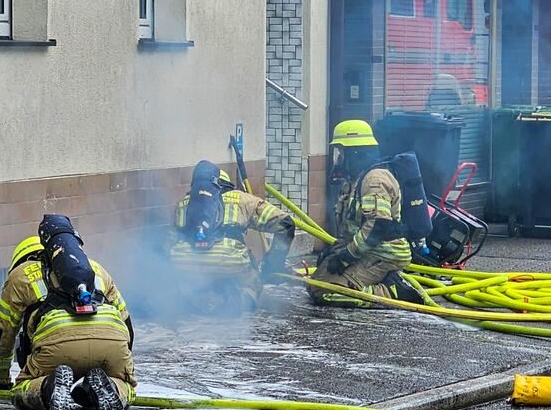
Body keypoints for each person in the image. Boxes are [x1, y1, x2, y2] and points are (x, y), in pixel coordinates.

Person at [0, 215, 135, 410]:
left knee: (23, 391)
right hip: (111, 338)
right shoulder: (97, 269)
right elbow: (126, 323)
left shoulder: (21, 276)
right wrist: (123, 364)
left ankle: (50, 387)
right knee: (126, 385)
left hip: (57, 344)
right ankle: (110, 387)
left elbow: (2, 333)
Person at [308, 120, 424, 307]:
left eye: (342, 152)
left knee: (326, 293)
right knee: (314, 285)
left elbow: (378, 225)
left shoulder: (374, 180)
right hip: (367, 251)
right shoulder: (357, 178)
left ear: (355, 153)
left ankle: (392, 290)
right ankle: (381, 281)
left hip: (384, 254)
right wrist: (335, 250)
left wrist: (347, 256)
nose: (340, 159)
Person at [168, 160, 296, 312]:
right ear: (226, 184)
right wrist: (273, 266)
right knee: (252, 282)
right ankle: (239, 301)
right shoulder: (241, 199)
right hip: (229, 260)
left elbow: (172, 240)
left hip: (185, 262)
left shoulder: (184, 203)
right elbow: (286, 224)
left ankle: (192, 301)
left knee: (187, 283)